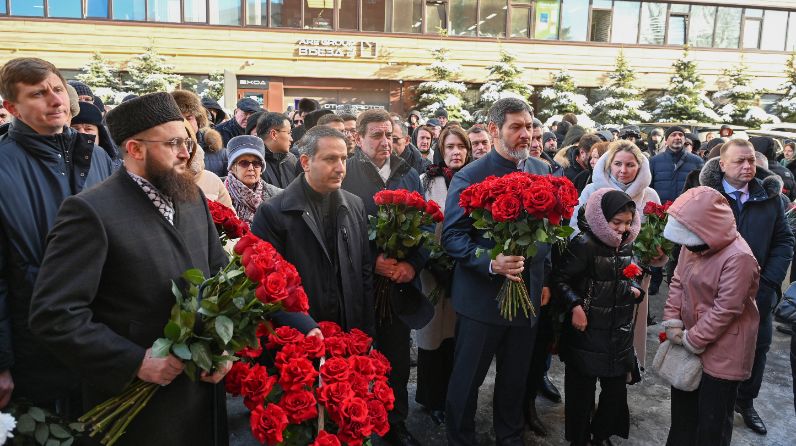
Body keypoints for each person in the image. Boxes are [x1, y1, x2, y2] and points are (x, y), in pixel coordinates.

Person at [29, 92, 318, 446]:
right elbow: (54, 314)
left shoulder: (191, 196)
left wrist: (230, 345)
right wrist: (135, 361)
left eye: (188, 140)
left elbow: (218, 275)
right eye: (173, 143)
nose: (188, 152)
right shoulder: (90, 212)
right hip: (138, 406)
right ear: (135, 149)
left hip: (200, 390)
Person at [0, 58, 113, 411]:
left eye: (58, 89)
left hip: (101, 336)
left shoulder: (99, 159)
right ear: (11, 107)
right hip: (33, 346)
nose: (55, 100)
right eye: (38, 93)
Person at [443, 98, 551, 446]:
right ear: (494, 130)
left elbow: (548, 232)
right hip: (480, 302)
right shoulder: (471, 175)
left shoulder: (542, 171)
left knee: (515, 379)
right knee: (467, 380)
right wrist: (490, 261)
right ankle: (460, 438)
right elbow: (452, 237)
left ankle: (510, 436)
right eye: (515, 127)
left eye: (529, 126)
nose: (525, 134)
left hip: (527, 298)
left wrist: (543, 277)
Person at [341, 109, 430, 446]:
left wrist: (413, 266)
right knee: (358, 358)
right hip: (359, 286)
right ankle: (355, 420)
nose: (385, 142)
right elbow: (337, 231)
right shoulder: (345, 173)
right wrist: (370, 261)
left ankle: (395, 421)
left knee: (395, 360)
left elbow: (425, 228)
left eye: (389, 136)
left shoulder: (408, 174)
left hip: (398, 285)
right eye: (376, 135)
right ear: (358, 138)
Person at [698, 138, 794, 436]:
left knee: (757, 349)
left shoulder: (771, 199)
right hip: (712, 295)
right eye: (739, 161)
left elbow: (783, 241)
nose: (747, 166)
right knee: (710, 349)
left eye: (751, 160)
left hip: (758, 296)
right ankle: (708, 406)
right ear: (722, 164)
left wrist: (767, 284)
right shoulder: (704, 197)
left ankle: (746, 401)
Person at [662, 186, 760, 446]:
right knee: (683, 417)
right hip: (689, 339)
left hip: (726, 349)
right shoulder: (692, 245)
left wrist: (693, 338)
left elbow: (726, 308)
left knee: (712, 423)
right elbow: (678, 281)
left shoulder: (739, 257)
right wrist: (673, 319)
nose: (685, 245)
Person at [251, 126, 373, 334]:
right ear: (306, 162)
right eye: (330, 159)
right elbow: (266, 283)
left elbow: (364, 272)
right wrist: (304, 325)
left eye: (343, 159)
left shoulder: (355, 205)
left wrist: (366, 331)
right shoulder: (273, 212)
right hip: (302, 338)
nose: (341, 168)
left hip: (349, 334)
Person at [555, 188, 644, 446]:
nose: (622, 229)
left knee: (615, 391)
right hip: (587, 332)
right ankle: (579, 439)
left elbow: (628, 273)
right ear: (601, 218)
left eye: (628, 223)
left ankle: (601, 434)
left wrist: (634, 287)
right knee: (580, 393)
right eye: (616, 222)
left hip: (618, 333)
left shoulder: (626, 244)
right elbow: (561, 279)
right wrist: (575, 306)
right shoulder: (585, 244)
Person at [573, 140, 665, 366]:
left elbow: (659, 235)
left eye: (630, 165)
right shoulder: (592, 190)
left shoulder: (649, 195)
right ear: (608, 165)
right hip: (596, 277)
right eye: (618, 164)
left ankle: (625, 371)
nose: (623, 170)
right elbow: (575, 229)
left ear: (640, 167)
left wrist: (657, 253)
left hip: (634, 273)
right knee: (594, 332)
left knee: (629, 328)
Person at [416, 126, 470, 426]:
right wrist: (433, 262)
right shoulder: (426, 181)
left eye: (461, 147)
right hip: (432, 272)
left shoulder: (474, 180)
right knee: (433, 335)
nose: (455, 152)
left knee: (456, 338)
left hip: (465, 272)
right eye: (450, 146)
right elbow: (420, 228)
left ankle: (451, 396)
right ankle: (430, 398)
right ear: (441, 149)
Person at [224, 135, 281, 225]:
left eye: (256, 163)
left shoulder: (277, 196)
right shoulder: (219, 194)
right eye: (244, 163)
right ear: (232, 167)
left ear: (261, 169)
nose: (251, 168)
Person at [184, 120, 234, 209]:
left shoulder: (212, 179)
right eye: (173, 142)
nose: (183, 152)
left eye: (186, 142)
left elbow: (231, 218)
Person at [71, 100, 120, 169]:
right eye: (75, 129)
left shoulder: (114, 166)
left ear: (99, 134)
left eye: (88, 129)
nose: (82, 133)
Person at [255, 112, 299, 189]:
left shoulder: (291, 159)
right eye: (288, 133)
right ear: (274, 134)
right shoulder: (254, 163)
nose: (291, 139)